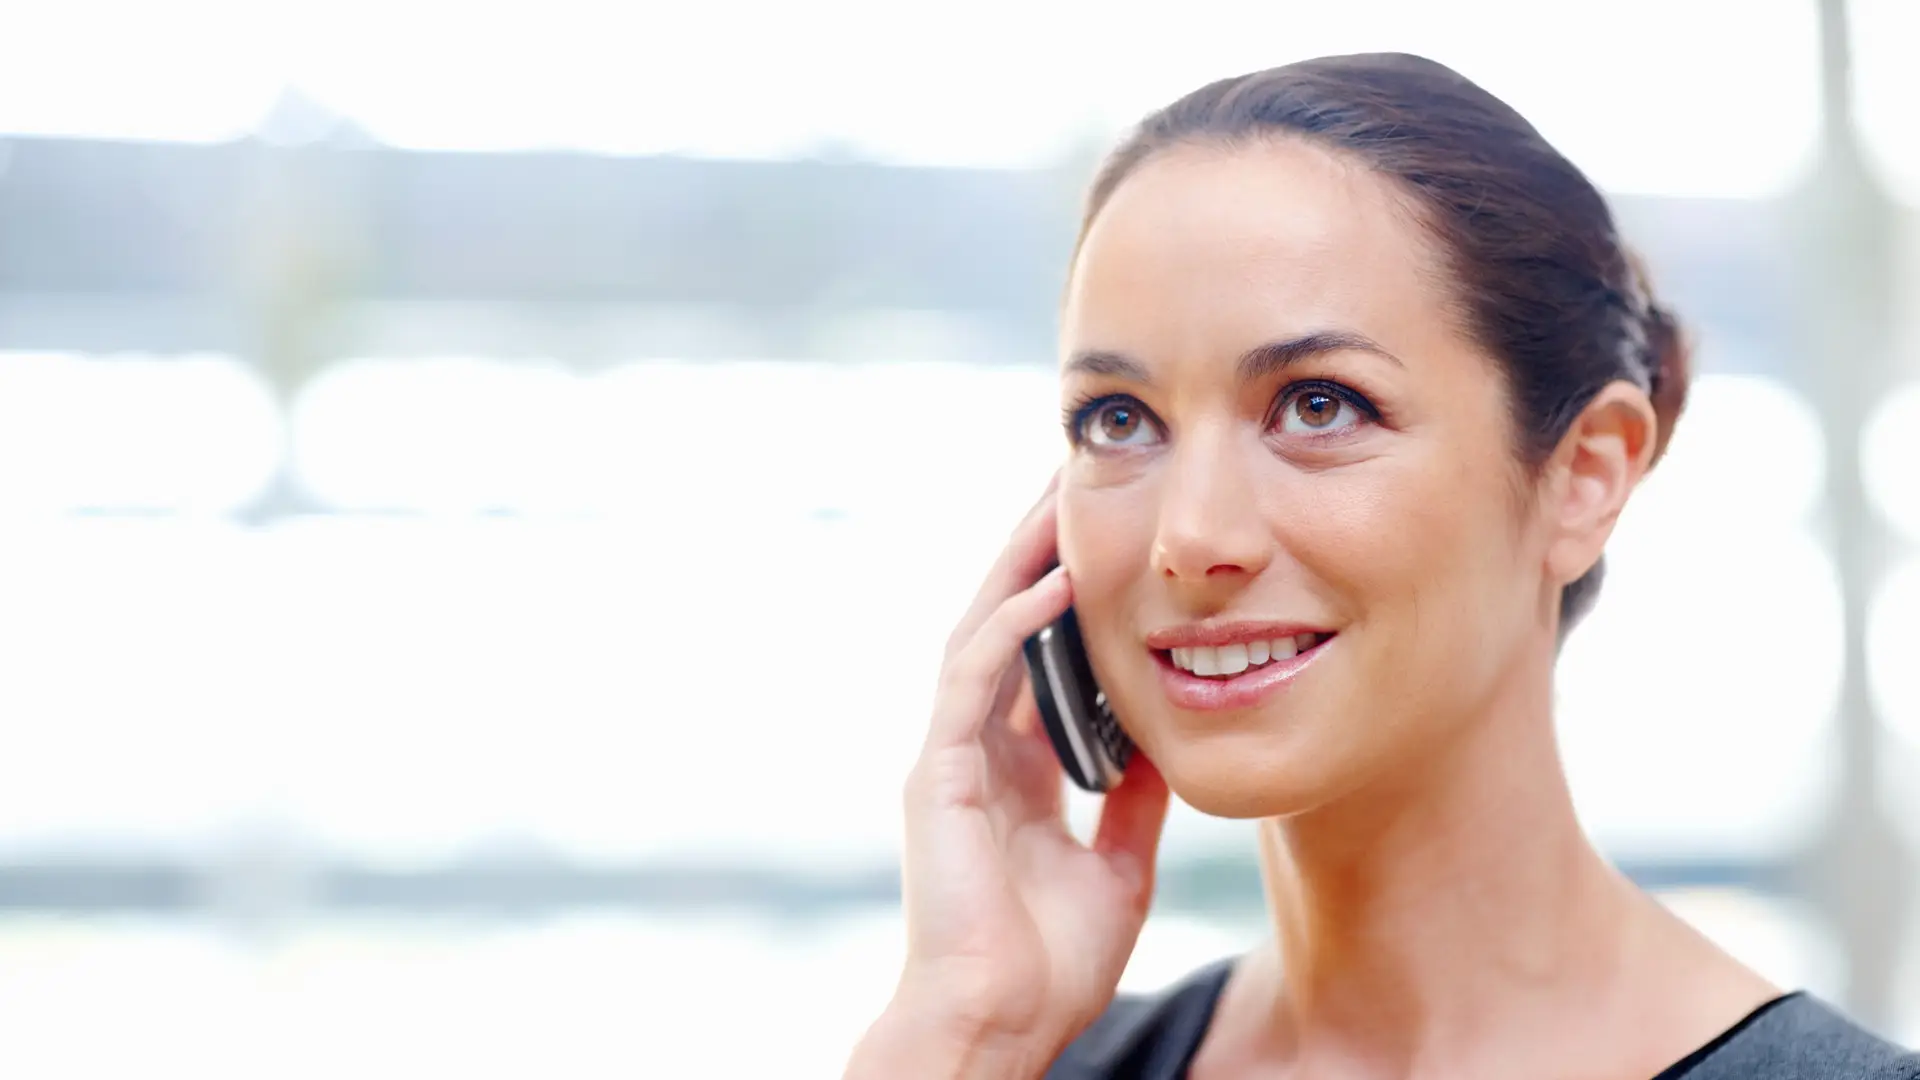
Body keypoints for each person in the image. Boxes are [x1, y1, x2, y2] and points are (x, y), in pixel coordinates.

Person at [843, 52, 1920, 1080]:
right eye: (1119, 421)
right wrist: (963, 1035)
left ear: (1585, 477)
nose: (1190, 537)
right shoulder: (1017, 1063)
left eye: (1319, 405)